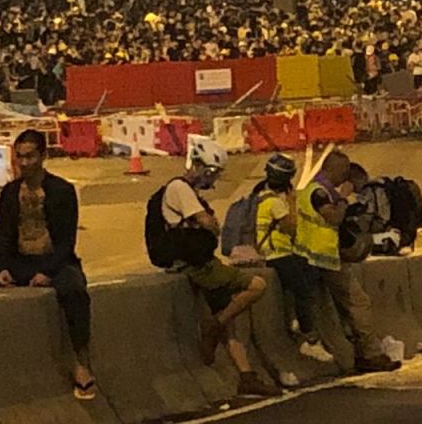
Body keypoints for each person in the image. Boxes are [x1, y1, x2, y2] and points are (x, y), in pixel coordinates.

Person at [0, 129, 96, 400]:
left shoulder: (62, 191)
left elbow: (66, 243)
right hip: (20, 262)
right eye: (20, 157)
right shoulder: (9, 193)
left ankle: (82, 364)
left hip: (56, 262)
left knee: (74, 291)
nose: (24, 163)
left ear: (43, 156)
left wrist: (47, 272)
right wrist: (3, 267)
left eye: (30, 156)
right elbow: (2, 238)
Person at [162, 138, 279, 397]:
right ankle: (212, 326)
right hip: (198, 266)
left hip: (201, 262)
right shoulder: (180, 189)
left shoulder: (188, 192)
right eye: (211, 172)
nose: (212, 179)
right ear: (199, 165)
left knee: (230, 323)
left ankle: (246, 376)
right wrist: (211, 223)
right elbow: (208, 223)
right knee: (256, 286)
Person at [296, 150, 400, 373]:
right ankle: (370, 354)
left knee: (345, 309)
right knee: (358, 303)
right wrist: (343, 197)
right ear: (331, 169)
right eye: (343, 172)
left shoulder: (314, 191)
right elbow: (333, 217)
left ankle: (358, 351)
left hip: (316, 258)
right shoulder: (319, 193)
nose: (345, 177)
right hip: (323, 259)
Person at [253, 153, 323, 351]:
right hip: (277, 254)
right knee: (303, 289)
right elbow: (291, 227)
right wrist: (292, 201)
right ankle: (309, 335)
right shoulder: (275, 202)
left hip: (265, 252)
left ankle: (293, 317)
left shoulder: (257, 195)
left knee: (306, 272)